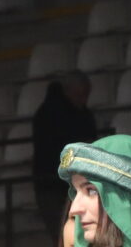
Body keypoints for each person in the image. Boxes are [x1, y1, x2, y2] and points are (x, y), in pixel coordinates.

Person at [30, 71, 98, 222]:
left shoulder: (80, 114)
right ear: (68, 91)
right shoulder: (51, 115)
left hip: (62, 182)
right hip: (54, 183)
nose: (83, 100)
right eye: (79, 95)